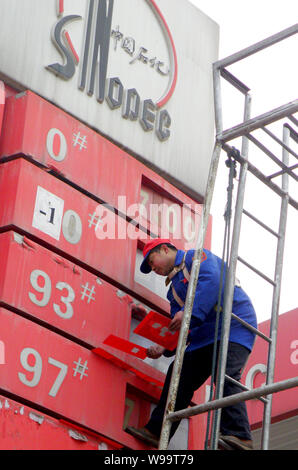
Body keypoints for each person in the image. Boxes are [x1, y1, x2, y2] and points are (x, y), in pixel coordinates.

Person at [127, 238, 257, 450]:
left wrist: (188, 313)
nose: (154, 269)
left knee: (225, 375)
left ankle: (240, 435)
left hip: (233, 325)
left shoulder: (196, 257)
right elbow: (181, 329)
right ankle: (157, 431)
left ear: (165, 249)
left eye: (152, 261)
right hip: (204, 337)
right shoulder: (173, 292)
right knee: (177, 375)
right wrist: (165, 347)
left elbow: (212, 283)